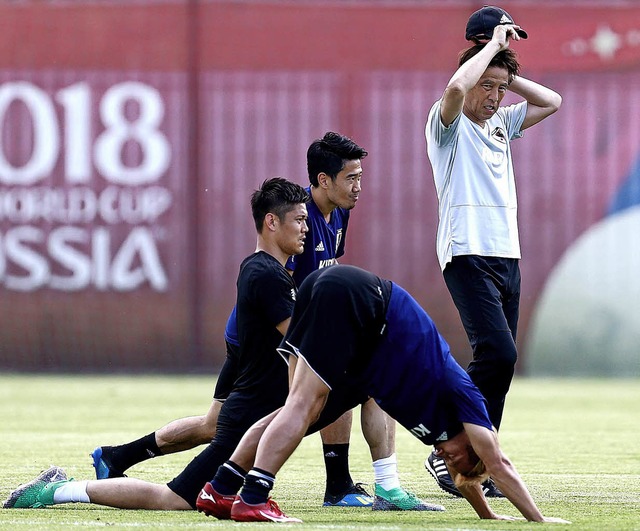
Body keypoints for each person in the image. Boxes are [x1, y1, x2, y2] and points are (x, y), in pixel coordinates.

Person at [3, 177, 310, 512]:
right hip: (247, 413)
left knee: (209, 450)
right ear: (271, 222)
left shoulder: (266, 270)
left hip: (250, 408)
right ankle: (56, 491)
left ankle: (117, 457)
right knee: (173, 499)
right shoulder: (266, 274)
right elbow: (304, 343)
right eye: (299, 220)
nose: (305, 228)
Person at [196, 265, 570, 524]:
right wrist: (537, 519)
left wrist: (486, 514)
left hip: (342, 317)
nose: (443, 456)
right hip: (363, 301)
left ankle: (221, 488)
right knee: (301, 405)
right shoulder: (467, 399)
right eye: (455, 458)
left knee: (296, 409)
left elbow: (468, 477)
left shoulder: (445, 437)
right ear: (472, 447)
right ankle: (255, 499)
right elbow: (498, 464)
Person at [423, 6, 562, 497]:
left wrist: (505, 68)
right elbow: (458, 91)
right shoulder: (449, 124)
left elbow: (553, 100)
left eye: (501, 88)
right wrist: (487, 54)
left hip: (507, 255)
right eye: (490, 85)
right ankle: (445, 445)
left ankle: (478, 463)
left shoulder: (502, 122)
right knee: (497, 351)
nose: (494, 96)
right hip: (466, 252)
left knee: (500, 362)